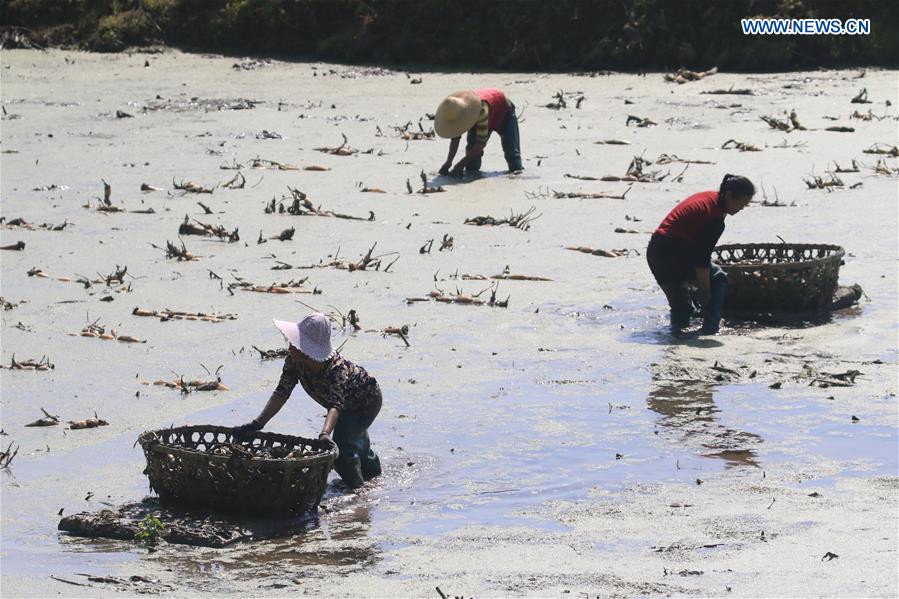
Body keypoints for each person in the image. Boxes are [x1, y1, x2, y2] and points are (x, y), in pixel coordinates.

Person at [232, 313, 382, 489]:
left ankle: (359, 492)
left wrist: (325, 433)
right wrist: (258, 423)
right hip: (343, 405)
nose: (290, 347)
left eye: (295, 344)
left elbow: (335, 406)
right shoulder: (294, 361)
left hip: (365, 402)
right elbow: (281, 392)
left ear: (307, 350)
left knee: (344, 450)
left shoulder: (336, 371)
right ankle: (373, 475)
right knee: (354, 438)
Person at [646, 174, 755, 336]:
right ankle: (710, 328)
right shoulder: (715, 219)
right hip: (674, 253)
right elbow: (701, 258)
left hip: (655, 252)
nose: (742, 209)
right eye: (741, 204)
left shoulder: (707, 197)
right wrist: (705, 290)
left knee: (681, 307)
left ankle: (676, 340)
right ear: (730, 195)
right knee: (718, 277)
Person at [435, 88, 522, 177]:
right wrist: (448, 163)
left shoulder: (480, 110)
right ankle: (472, 177)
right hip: (485, 114)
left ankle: (517, 178)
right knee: (472, 162)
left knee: (513, 155)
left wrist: (460, 165)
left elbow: (480, 144)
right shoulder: (455, 111)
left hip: (504, 113)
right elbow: (455, 139)